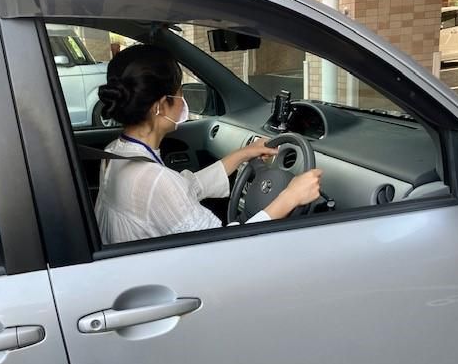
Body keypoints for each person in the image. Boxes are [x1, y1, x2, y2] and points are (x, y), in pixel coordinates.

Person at [95, 44, 322, 244]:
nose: (184, 100)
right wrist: (290, 197)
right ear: (161, 106)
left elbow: (185, 188)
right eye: (181, 92)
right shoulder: (155, 180)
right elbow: (225, 251)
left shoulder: (115, 152)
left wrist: (244, 153)